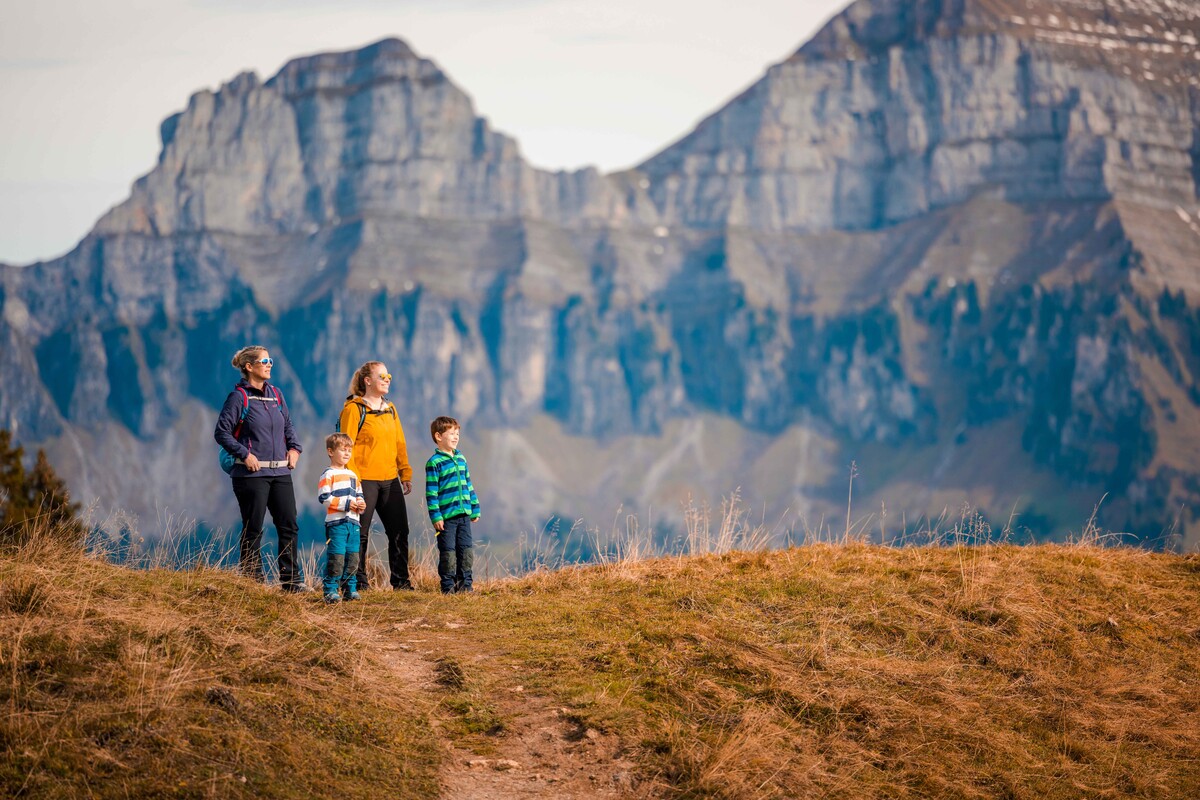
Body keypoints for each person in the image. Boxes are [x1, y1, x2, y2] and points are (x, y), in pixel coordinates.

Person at [213, 345, 306, 591]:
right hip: (251, 474)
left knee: (289, 526)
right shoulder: (238, 397)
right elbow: (221, 432)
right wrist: (244, 454)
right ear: (249, 366)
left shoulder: (276, 394)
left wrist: (295, 449)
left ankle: (291, 582)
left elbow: (288, 426)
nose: (269, 364)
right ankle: (253, 582)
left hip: (280, 473)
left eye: (270, 360)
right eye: (264, 361)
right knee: (253, 527)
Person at [340, 362, 415, 591]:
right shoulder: (354, 409)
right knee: (359, 533)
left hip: (390, 479)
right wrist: (355, 481)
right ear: (367, 380)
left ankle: (401, 583)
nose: (388, 378)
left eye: (389, 375)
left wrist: (405, 472)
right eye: (382, 375)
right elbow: (346, 445)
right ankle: (357, 582)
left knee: (400, 531)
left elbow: (399, 442)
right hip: (365, 481)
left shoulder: (391, 409)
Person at [425, 416, 481, 594]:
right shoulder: (434, 463)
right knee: (448, 552)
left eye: (457, 433)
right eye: (451, 433)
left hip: (464, 514)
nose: (456, 437)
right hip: (446, 518)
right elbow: (431, 493)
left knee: (465, 551)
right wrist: (436, 516)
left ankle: (466, 586)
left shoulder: (461, 459)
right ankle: (448, 587)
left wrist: (475, 507)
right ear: (439, 436)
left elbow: (468, 485)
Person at [317, 433, 367, 604]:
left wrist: (361, 504)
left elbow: (359, 495)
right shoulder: (328, 474)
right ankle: (330, 589)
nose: (347, 454)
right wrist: (347, 504)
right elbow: (324, 498)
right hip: (336, 523)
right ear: (331, 452)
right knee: (336, 557)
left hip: (353, 523)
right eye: (342, 450)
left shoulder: (353, 475)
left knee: (353, 557)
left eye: (349, 450)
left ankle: (349, 589)